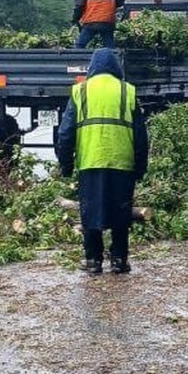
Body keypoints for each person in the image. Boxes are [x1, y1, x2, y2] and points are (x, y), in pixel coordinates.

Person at [56, 48, 148, 276]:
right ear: (116, 67)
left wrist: (65, 165)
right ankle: (119, 260)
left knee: (90, 212)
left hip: (90, 160)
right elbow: (140, 135)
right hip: (122, 162)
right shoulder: (127, 91)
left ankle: (93, 261)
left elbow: (66, 132)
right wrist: (140, 167)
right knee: (121, 212)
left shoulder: (81, 91)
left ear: (92, 68)